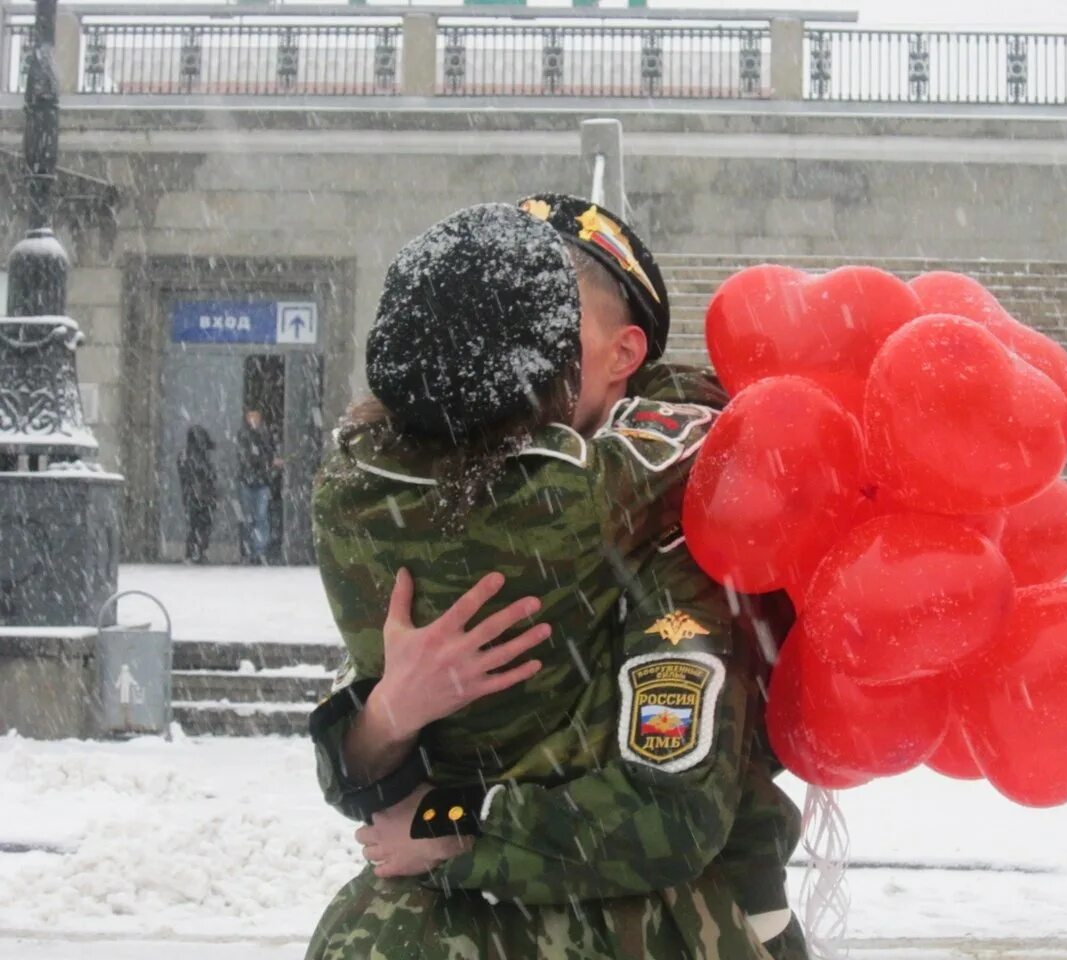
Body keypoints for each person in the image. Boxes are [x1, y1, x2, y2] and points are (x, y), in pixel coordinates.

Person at [307, 200, 806, 959]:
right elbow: (356, 781)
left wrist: (448, 824)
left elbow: (669, 811)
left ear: (621, 353)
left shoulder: (673, 531)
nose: (499, 350)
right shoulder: (438, 503)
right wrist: (388, 715)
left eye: (546, 324)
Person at [236, 408, 280, 565]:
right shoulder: (245, 435)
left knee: (261, 517)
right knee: (250, 518)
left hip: (261, 482)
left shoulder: (265, 434)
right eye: (250, 416)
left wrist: (271, 462)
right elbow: (250, 457)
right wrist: (269, 462)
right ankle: (250, 551)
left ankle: (259, 550)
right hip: (249, 482)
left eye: (256, 416)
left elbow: (268, 452)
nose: (253, 419)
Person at [177, 424, 217, 563]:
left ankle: (196, 551)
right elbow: (201, 475)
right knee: (199, 525)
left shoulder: (189, 455)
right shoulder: (193, 456)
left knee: (198, 525)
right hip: (198, 496)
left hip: (197, 495)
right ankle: (196, 552)